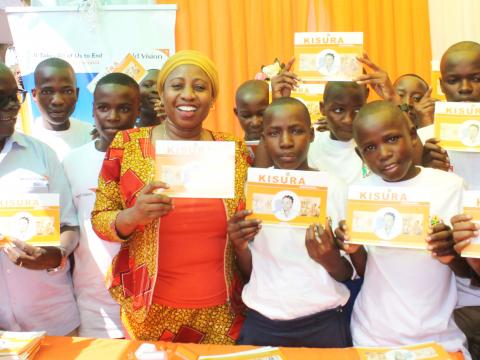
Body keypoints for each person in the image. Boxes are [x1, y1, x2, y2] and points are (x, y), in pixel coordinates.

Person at [91, 50, 250, 343]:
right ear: (161, 94)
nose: (188, 95)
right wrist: (134, 215)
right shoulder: (127, 145)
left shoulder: (233, 150)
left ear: (212, 99)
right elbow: (101, 220)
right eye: (177, 86)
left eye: (200, 87)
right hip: (148, 311)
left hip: (222, 311)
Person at [337, 100, 469, 356]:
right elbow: (366, 269)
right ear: (360, 155)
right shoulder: (358, 193)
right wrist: (352, 248)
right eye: (370, 147)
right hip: (373, 334)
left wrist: (450, 254)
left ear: (412, 135)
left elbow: (468, 273)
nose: (383, 153)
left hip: (439, 335)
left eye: (392, 139)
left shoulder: (449, 186)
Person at [228, 97, 353, 348]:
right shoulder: (253, 189)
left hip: (324, 322)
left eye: (296, 131)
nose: (286, 142)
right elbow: (253, 270)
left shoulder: (335, 188)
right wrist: (239, 246)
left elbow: (348, 273)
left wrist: (328, 258)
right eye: (274, 133)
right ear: (263, 138)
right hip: (262, 322)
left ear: (312, 134)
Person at [0, 63, 80, 335]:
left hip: (52, 317)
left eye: (15, 96)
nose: (14, 106)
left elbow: (69, 225)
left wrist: (57, 254)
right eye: (2, 98)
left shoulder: (41, 154)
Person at [63, 73, 140, 338]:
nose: (113, 117)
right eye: (104, 108)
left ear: (138, 111)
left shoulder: (153, 159)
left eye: (124, 108)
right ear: (93, 110)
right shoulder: (72, 162)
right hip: (93, 304)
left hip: (146, 302)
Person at [417, 41, 480, 359]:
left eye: (476, 78)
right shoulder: (426, 140)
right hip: (455, 304)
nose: (466, 88)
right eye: (454, 80)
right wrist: (425, 172)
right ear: (442, 85)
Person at [307, 81, 369, 184]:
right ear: (322, 108)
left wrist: (393, 99)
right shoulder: (309, 146)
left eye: (357, 110)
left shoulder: (374, 146)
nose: (348, 120)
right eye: (338, 110)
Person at [31, 57, 92, 161]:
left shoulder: (91, 135)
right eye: (47, 91)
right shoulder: (25, 141)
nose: (57, 101)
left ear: (76, 94)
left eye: (67, 91)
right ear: (34, 95)